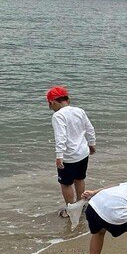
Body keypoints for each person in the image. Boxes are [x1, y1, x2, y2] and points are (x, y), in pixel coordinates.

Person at [47, 86, 96, 219]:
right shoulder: (79, 111)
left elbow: (60, 137)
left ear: (52, 102)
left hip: (69, 156)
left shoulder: (58, 116)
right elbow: (89, 128)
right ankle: (82, 205)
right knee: (80, 179)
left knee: (66, 183)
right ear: (67, 100)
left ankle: (71, 209)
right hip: (83, 152)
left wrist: (59, 156)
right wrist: (92, 144)